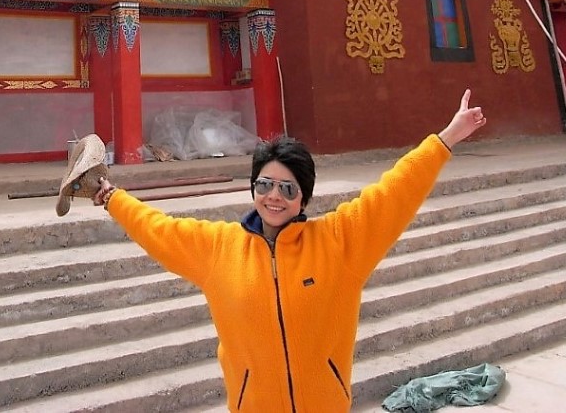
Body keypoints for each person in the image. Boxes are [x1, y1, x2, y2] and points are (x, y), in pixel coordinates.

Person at [92, 89, 486, 413]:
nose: (274, 197)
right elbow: (156, 228)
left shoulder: (339, 242)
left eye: (287, 188)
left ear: (304, 198)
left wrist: (446, 138)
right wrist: (110, 196)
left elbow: (394, 192)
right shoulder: (219, 248)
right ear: (252, 188)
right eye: (264, 185)